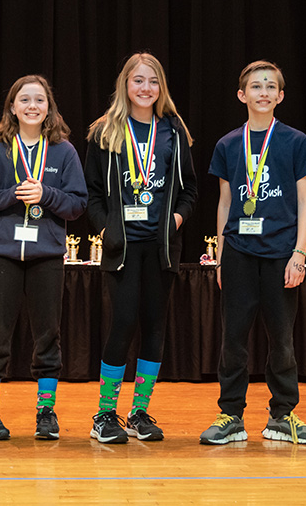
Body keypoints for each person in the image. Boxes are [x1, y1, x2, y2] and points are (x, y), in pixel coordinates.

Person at [198, 61, 306, 445]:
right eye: (256, 86)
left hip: (281, 253)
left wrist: (300, 253)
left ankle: (283, 416)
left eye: (271, 86)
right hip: (238, 252)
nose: (263, 92)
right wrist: (220, 255)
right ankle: (230, 415)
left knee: (282, 339)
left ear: (281, 96)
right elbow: (224, 203)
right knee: (233, 338)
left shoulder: (296, 142)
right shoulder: (228, 144)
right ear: (242, 95)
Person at [85, 53, 197, 443]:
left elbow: (190, 191)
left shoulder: (174, 131)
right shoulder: (104, 132)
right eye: (138, 80)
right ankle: (105, 414)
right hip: (123, 248)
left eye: (152, 81)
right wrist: (107, 230)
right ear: (125, 85)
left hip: (161, 248)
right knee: (122, 322)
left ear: (160, 87)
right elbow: (93, 195)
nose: (145, 88)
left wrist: (174, 222)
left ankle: (140, 412)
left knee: (154, 326)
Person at [0, 75, 87, 440]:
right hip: (3, 254)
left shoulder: (64, 152)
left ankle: (45, 411)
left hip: (47, 256)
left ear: (48, 108)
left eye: (39, 100)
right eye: (25, 100)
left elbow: (78, 205)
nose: (32, 106)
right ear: (13, 107)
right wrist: (15, 195)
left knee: (48, 335)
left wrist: (46, 194)